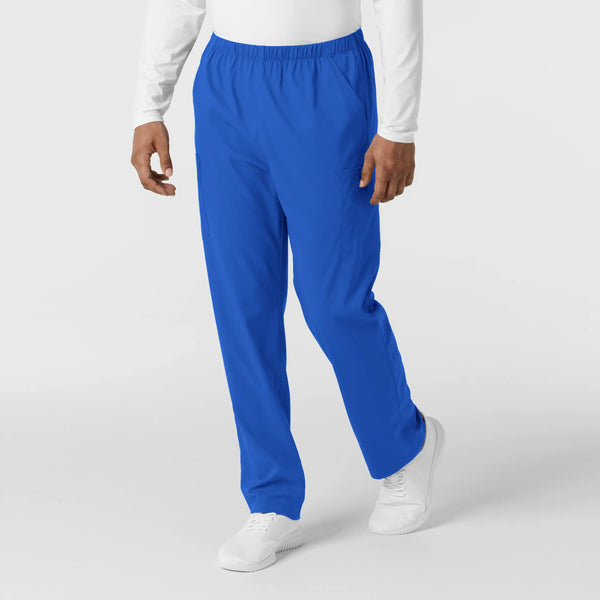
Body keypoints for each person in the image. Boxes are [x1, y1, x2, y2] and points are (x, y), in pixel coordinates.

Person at [130, 0, 445, 572]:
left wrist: (399, 125)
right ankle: (271, 497)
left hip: (327, 83)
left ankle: (406, 446)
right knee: (241, 303)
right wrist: (149, 106)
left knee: (334, 303)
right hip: (228, 87)